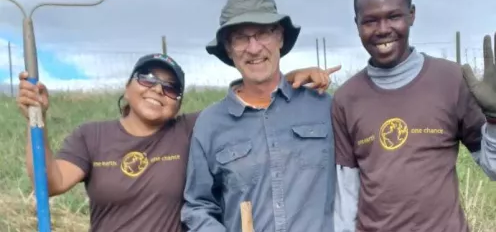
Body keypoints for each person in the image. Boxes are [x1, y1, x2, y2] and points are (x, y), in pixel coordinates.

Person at [17, 52, 336, 232]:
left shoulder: (192, 130)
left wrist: (290, 76)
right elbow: (52, 181)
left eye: (170, 88)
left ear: (179, 104)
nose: (158, 90)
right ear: (127, 87)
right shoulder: (93, 135)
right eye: (148, 79)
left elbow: (248, 103)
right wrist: (38, 121)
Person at [332, 0, 496, 232]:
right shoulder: (346, 99)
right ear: (356, 24)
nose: (383, 29)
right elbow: (347, 197)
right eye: (370, 21)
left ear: (411, 15)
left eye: (394, 16)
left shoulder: (452, 80)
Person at [182, 0, 338, 232]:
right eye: (241, 37)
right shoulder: (210, 124)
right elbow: (199, 206)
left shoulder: (323, 107)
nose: (254, 48)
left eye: (263, 33)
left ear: (280, 37)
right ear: (228, 49)